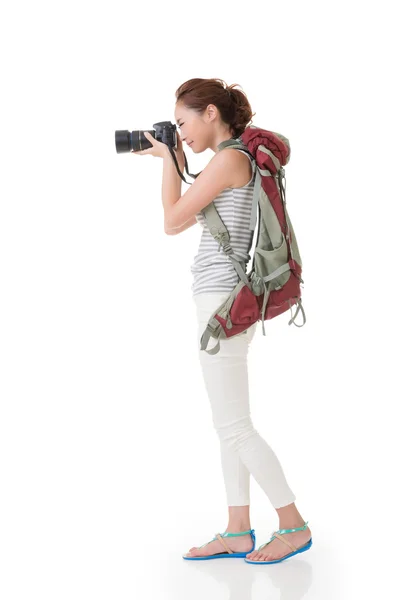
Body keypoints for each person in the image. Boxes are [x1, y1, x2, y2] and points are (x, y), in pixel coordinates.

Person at [133, 78, 312, 564]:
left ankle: (292, 525)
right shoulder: (227, 162)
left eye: (183, 122)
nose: (180, 133)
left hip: (221, 300)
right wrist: (174, 161)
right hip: (224, 298)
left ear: (210, 113)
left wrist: (169, 163)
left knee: (235, 427)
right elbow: (184, 217)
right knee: (229, 424)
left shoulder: (229, 159)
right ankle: (237, 530)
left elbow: (171, 222)